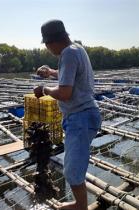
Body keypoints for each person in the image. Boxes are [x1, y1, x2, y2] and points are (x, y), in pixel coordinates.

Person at [34, 19, 101, 210]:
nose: (48, 49)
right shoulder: (76, 49)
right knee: (75, 167)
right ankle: (80, 204)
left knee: (71, 171)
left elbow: (64, 93)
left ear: (51, 42)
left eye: (46, 45)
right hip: (85, 115)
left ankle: (80, 207)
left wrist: (44, 90)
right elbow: (69, 74)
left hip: (80, 117)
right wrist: (50, 72)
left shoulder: (67, 54)